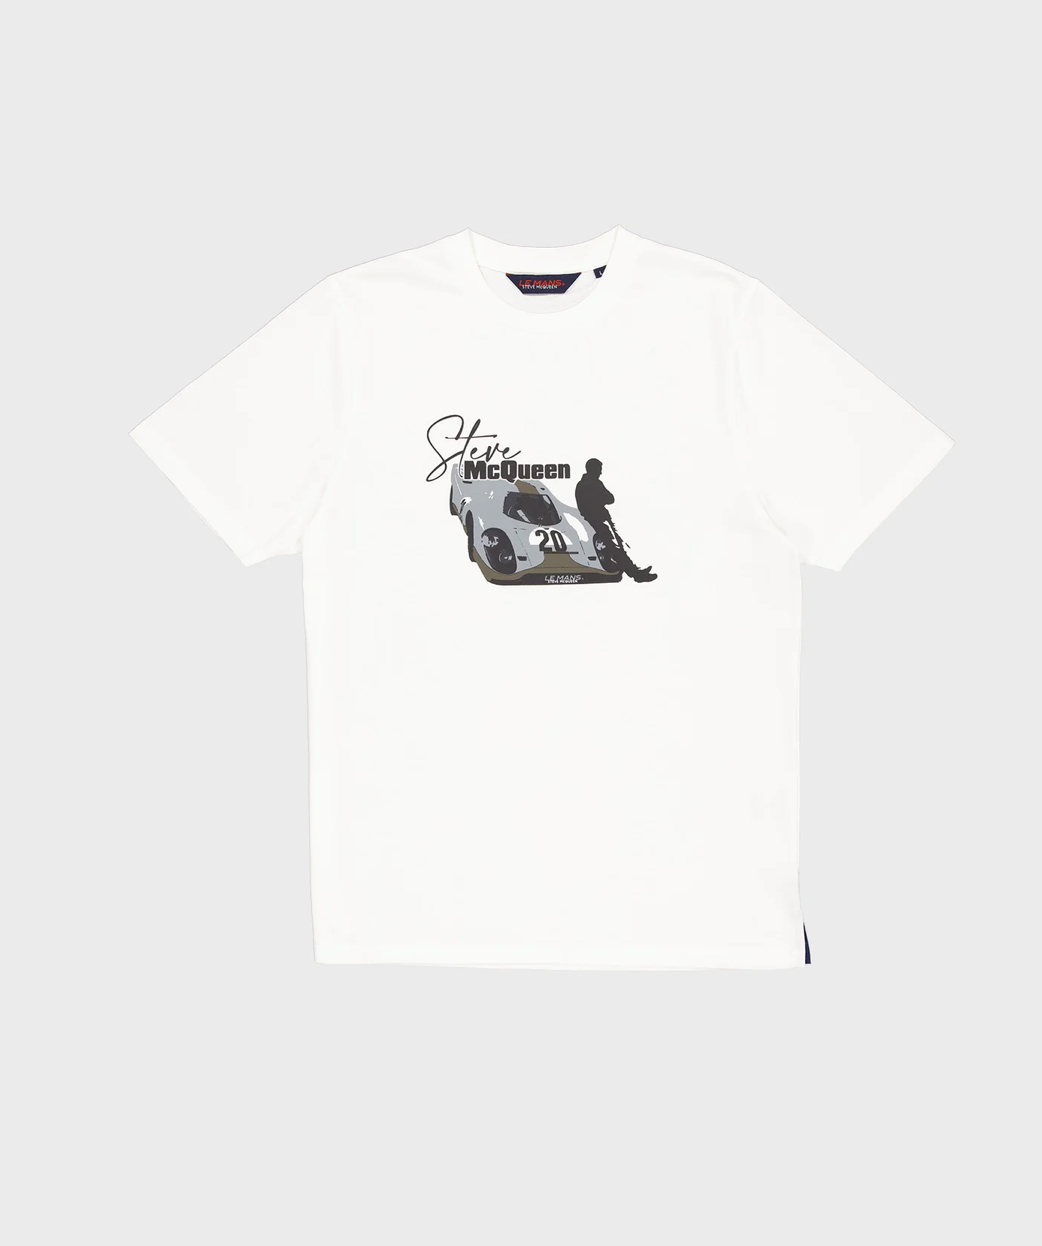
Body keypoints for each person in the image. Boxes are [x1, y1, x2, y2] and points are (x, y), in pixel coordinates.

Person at [574, 458, 657, 582]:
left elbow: (608, 499)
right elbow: (609, 499)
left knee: (614, 547)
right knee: (615, 547)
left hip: (593, 521)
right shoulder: (594, 483)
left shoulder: (582, 485)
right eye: (599, 469)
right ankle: (635, 573)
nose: (600, 472)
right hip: (599, 521)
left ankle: (634, 571)